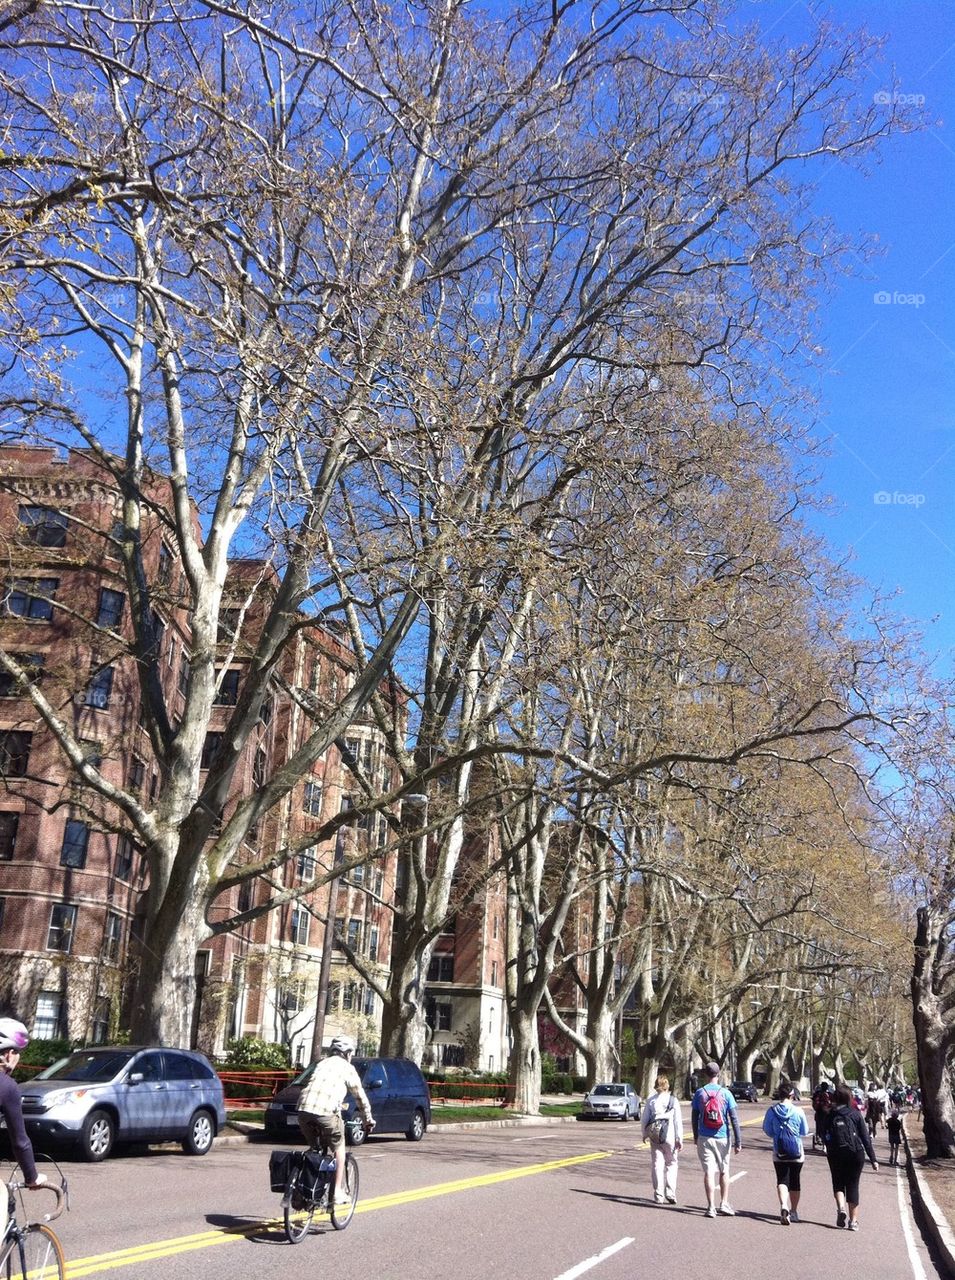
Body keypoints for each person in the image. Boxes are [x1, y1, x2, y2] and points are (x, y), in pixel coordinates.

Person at [297, 1035, 375, 1205]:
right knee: (339, 1147)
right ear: (347, 1053)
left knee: (314, 1150)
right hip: (325, 1113)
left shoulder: (322, 1063)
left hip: (303, 1111)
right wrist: (368, 1120)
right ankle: (336, 1192)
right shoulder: (347, 1068)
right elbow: (360, 1097)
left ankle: (303, 1189)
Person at [823, 1084, 878, 1231]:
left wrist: (829, 1147)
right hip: (855, 1153)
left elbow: (824, 1135)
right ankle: (853, 1222)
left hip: (835, 1153)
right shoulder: (855, 1114)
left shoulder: (830, 1114)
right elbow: (865, 1138)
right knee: (853, 1185)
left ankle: (841, 1208)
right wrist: (873, 1159)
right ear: (849, 1098)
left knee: (838, 1183)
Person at [691, 1061, 742, 1218]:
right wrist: (738, 1141)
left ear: (706, 1074)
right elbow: (734, 1119)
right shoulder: (726, 1093)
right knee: (724, 1170)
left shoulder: (700, 1093)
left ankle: (710, 1206)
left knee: (708, 1172)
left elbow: (695, 1116)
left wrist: (696, 1135)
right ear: (718, 1074)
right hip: (722, 1137)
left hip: (705, 1136)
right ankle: (724, 1203)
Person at [0, 1018, 46, 1189]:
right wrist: (31, 1177)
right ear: (9, 1054)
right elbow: (20, 1142)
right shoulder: (7, 1086)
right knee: (4, 1201)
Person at [762, 1083, 809, 1225]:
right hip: (797, 1152)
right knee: (795, 1181)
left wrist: (777, 1135)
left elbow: (767, 1129)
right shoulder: (798, 1111)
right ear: (791, 1095)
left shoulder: (772, 1111)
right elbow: (804, 1131)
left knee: (782, 1180)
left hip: (779, 1151)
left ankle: (783, 1206)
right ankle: (793, 1211)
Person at [641, 1073, 684, 1204]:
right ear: (667, 1086)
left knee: (657, 1164)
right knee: (671, 1163)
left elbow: (645, 1119)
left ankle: (658, 1194)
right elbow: (678, 1121)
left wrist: (644, 1134)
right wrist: (679, 1138)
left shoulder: (651, 1100)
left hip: (655, 1136)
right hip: (670, 1136)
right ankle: (670, 1192)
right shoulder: (673, 1101)